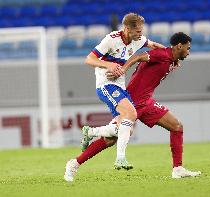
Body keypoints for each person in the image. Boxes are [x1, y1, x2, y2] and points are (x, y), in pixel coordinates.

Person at [64, 32, 201, 181]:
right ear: (179, 46)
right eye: (187, 48)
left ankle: (178, 169)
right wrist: (123, 69)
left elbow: (159, 50)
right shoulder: (162, 55)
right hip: (133, 101)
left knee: (176, 126)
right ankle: (75, 161)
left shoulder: (170, 58)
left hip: (147, 102)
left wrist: (174, 60)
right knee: (110, 140)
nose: (188, 52)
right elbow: (139, 56)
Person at [64, 13, 164, 182]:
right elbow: (89, 59)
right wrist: (108, 64)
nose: (140, 34)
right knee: (131, 114)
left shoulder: (139, 39)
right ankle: (120, 158)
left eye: (141, 31)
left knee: (120, 133)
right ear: (126, 29)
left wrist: (170, 57)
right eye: (137, 31)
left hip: (120, 87)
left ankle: (76, 159)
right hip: (105, 85)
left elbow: (155, 46)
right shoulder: (111, 39)